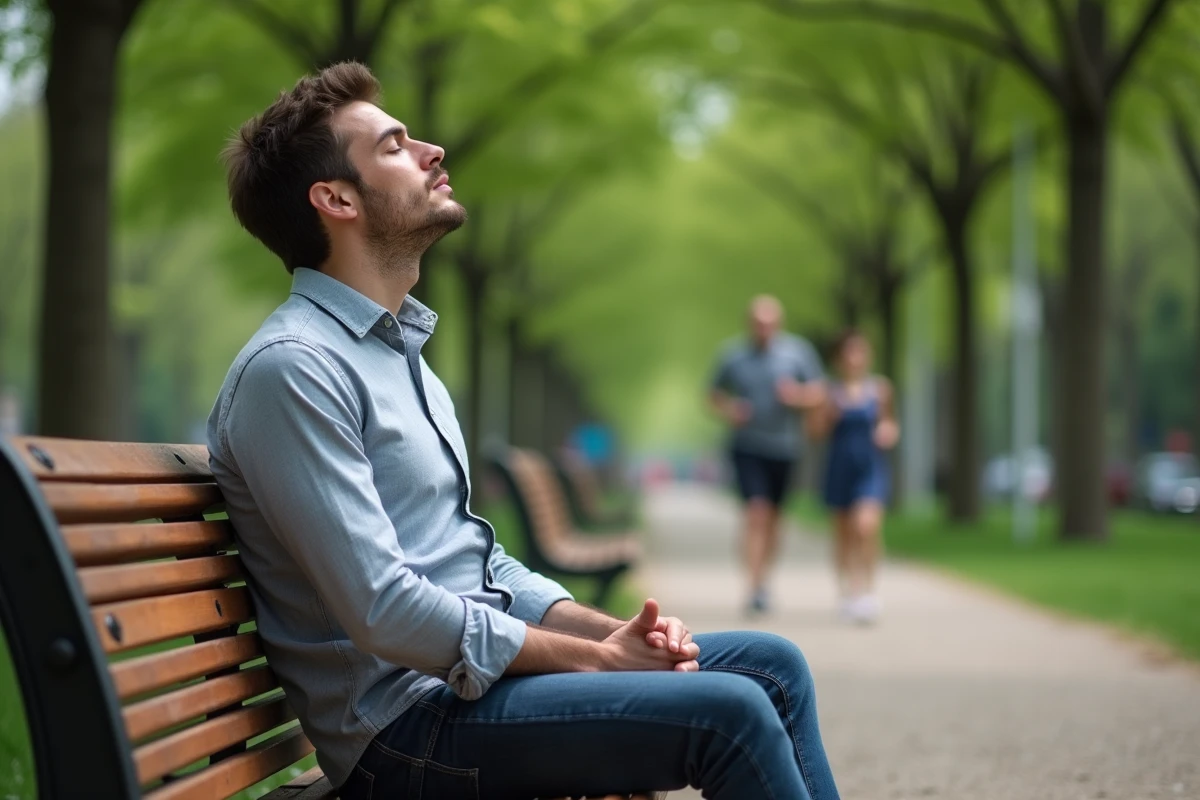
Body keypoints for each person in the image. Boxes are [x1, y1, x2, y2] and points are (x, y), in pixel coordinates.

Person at [207, 63, 840, 800]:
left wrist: (606, 636)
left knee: (772, 666)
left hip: (460, 691)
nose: (432, 150)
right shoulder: (294, 371)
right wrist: (594, 664)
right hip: (403, 731)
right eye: (394, 145)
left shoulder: (393, 353)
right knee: (727, 712)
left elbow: (481, 566)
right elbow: (384, 609)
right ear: (336, 199)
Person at [709, 295, 825, 614]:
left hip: (786, 447)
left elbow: (819, 392)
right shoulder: (732, 356)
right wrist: (730, 409)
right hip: (747, 446)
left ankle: (764, 579)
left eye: (769, 323)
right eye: (758, 323)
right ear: (749, 324)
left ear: (778, 324)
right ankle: (753, 585)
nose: (764, 329)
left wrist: (797, 396)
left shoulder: (798, 352)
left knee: (774, 518)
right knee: (755, 512)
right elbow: (712, 394)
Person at [808, 330, 900, 624]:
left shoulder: (880, 389)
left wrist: (888, 432)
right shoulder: (828, 392)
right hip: (840, 467)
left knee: (867, 527)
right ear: (839, 359)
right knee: (844, 534)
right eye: (848, 353)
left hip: (869, 467)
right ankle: (849, 592)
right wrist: (828, 417)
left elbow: (889, 423)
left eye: (859, 352)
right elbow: (815, 432)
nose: (854, 358)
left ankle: (869, 592)